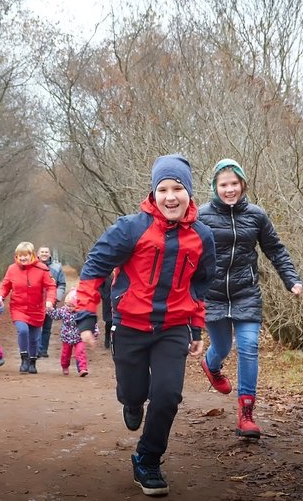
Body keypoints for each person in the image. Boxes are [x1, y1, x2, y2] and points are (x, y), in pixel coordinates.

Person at [74, 154, 216, 496]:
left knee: (167, 395)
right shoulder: (130, 228)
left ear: (189, 193)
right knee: (134, 391)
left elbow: (201, 284)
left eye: (178, 188)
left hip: (173, 327)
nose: (171, 196)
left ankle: (148, 460)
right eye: (163, 189)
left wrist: (196, 327)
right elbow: (94, 268)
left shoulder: (203, 236)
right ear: (153, 193)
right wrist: (85, 316)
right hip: (130, 326)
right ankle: (132, 400)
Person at [197, 158, 303, 440]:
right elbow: (186, 251)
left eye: (234, 183)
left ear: (243, 184)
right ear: (215, 187)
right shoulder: (201, 216)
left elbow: (275, 249)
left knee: (248, 346)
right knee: (221, 346)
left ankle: (246, 414)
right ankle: (211, 364)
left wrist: (291, 279)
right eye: (224, 184)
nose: (230, 189)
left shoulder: (256, 215)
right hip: (214, 295)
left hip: (246, 292)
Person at [0, 241, 57, 375]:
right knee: (23, 331)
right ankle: (24, 359)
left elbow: (51, 287)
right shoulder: (12, 269)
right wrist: (0, 296)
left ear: (32, 255)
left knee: (35, 338)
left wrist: (49, 301)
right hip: (18, 307)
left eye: (26, 255)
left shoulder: (42, 269)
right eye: (20, 256)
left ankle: (32, 362)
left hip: (36, 308)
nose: (23, 258)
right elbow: (5, 285)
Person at [46, 288, 93, 377]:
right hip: (66, 337)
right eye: (68, 305)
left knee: (80, 352)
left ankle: (82, 369)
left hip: (79, 336)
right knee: (66, 353)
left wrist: (93, 331)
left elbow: (89, 322)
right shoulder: (63, 310)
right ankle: (65, 366)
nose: (69, 308)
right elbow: (56, 316)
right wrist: (50, 310)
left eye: (72, 306)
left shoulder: (82, 313)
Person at [36, 245, 66, 358]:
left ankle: (44, 349)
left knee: (47, 327)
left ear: (49, 254)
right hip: (36, 301)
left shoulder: (57, 267)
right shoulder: (33, 266)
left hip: (50, 301)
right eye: (42, 252)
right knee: (37, 325)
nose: (44, 254)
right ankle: (37, 349)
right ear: (38, 254)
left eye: (46, 252)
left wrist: (56, 297)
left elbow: (62, 284)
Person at [99, 274, 114, 349]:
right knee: (109, 322)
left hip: (117, 302)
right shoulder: (105, 277)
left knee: (116, 323)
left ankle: (113, 341)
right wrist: (104, 296)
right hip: (107, 302)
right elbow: (99, 287)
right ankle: (107, 339)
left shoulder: (120, 274)